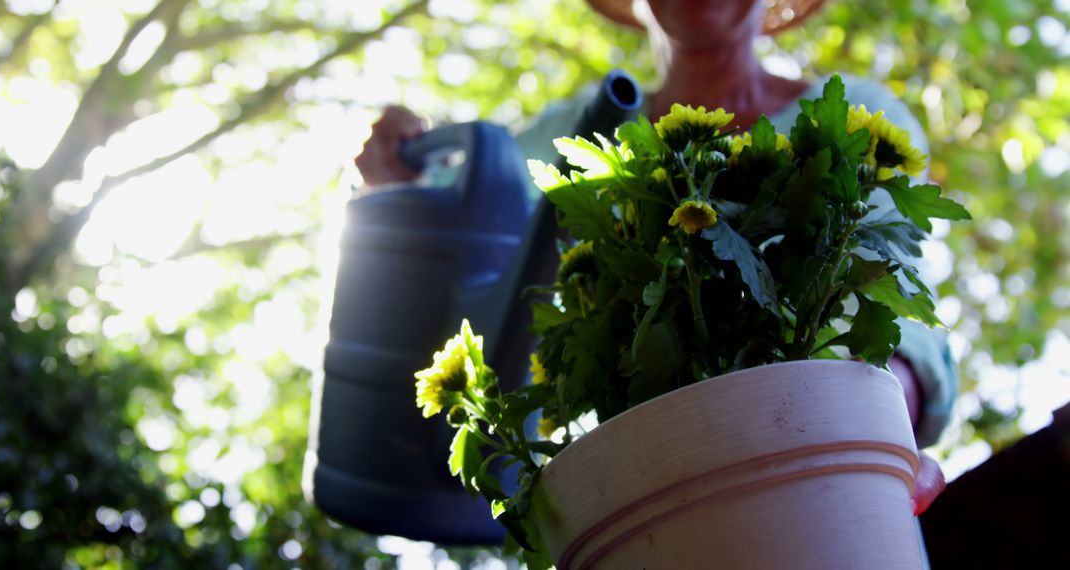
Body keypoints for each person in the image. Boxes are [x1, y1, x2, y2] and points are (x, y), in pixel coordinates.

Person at [355, 0, 952, 518]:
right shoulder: (581, 133)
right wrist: (392, 169)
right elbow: (455, 206)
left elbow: (889, 295)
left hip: (825, 457)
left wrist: (874, 424)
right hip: (639, 488)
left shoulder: (855, 120)